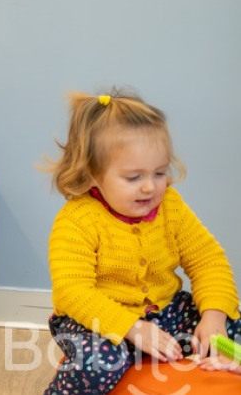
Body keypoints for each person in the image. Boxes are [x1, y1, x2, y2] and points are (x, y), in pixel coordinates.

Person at [43, 89, 241, 394]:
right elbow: (73, 292)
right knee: (96, 364)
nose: (150, 187)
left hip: (168, 311)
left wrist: (214, 317)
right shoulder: (78, 219)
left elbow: (207, 260)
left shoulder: (170, 206)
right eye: (133, 178)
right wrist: (131, 328)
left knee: (232, 328)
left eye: (160, 173)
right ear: (93, 174)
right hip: (96, 319)